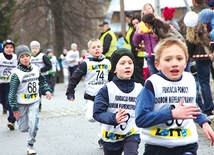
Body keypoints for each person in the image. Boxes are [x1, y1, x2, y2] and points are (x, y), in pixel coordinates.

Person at [135, 38, 214, 155]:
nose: (174, 63)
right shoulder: (152, 84)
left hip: (186, 144)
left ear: (186, 61)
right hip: (158, 146)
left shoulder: (189, 80)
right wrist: (171, 114)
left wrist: (204, 122)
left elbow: (191, 105)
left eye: (179, 58)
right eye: (168, 59)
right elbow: (141, 119)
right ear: (157, 64)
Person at [93, 48, 142, 155]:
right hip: (111, 135)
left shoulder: (139, 89)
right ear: (114, 69)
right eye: (122, 63)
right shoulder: (107, 89)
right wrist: (113, 118)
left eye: (130, 63)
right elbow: (97, 113)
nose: (127, 66)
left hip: (132, 132)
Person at [8, 45, 52, 155]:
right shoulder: (16, 74)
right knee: (23, 129)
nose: (25, 58)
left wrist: (47, 90)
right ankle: (27, 127)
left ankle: (30, 145)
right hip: (21, 103)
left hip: (34, 101)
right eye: (22, 56)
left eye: (27, 55)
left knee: (34, 124)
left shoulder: (36, 69)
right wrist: (15, 109)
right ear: (19, 59)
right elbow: (12, 93)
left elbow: (42, 81)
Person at [66, 38, 111, 122]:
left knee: (106, 121)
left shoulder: (107, 62)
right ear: (89, 51)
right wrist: (70, 92)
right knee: (91, 118)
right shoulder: (86, 64)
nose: (96, 49)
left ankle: (103, 132)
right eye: (93, 47)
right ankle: (90, 109)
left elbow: (113, 79)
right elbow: (75, 78)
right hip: (91, 96)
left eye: (98, 46)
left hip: (104, 96)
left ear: (102, 49)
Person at [186, 0, 214, 119]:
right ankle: (208, 108)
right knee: (206, 82)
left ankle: (205, 108)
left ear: (194, 2)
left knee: (200, 82)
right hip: (209, 53)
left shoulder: (194, 15)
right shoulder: (210, 10)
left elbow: (191, 39)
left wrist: (189, 54)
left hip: (197, 55)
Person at [133, 3, 159, 75]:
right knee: (153, 75)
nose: (147, 10)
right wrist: (138, 33)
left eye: (149, 8)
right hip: (150, 55)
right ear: (143, 12)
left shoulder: (158, 21)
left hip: (160, 54)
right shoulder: (141, 25)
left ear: (153, 10)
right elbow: (136, 42)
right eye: (145, 9)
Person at [30, 40, 52, 112]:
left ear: (39, 49)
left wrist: (41, 69)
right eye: (33, 49)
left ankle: (39, 104)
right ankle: (37, 104)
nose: (34, 50)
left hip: (42, 76)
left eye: (36, 48)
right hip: (33, 77)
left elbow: (49, 65)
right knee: (36, 91)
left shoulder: (43, 56)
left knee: (41, 91)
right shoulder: (29, 57)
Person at [0, 39, 17, 130]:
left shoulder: (16, 57)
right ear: (3, 48)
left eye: (11, 47)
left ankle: (12, 120)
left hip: (11, 83)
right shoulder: (0, 57)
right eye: (7, 47)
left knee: (9, 102)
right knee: (3, 101)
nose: (9, 49)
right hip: (1, 83)